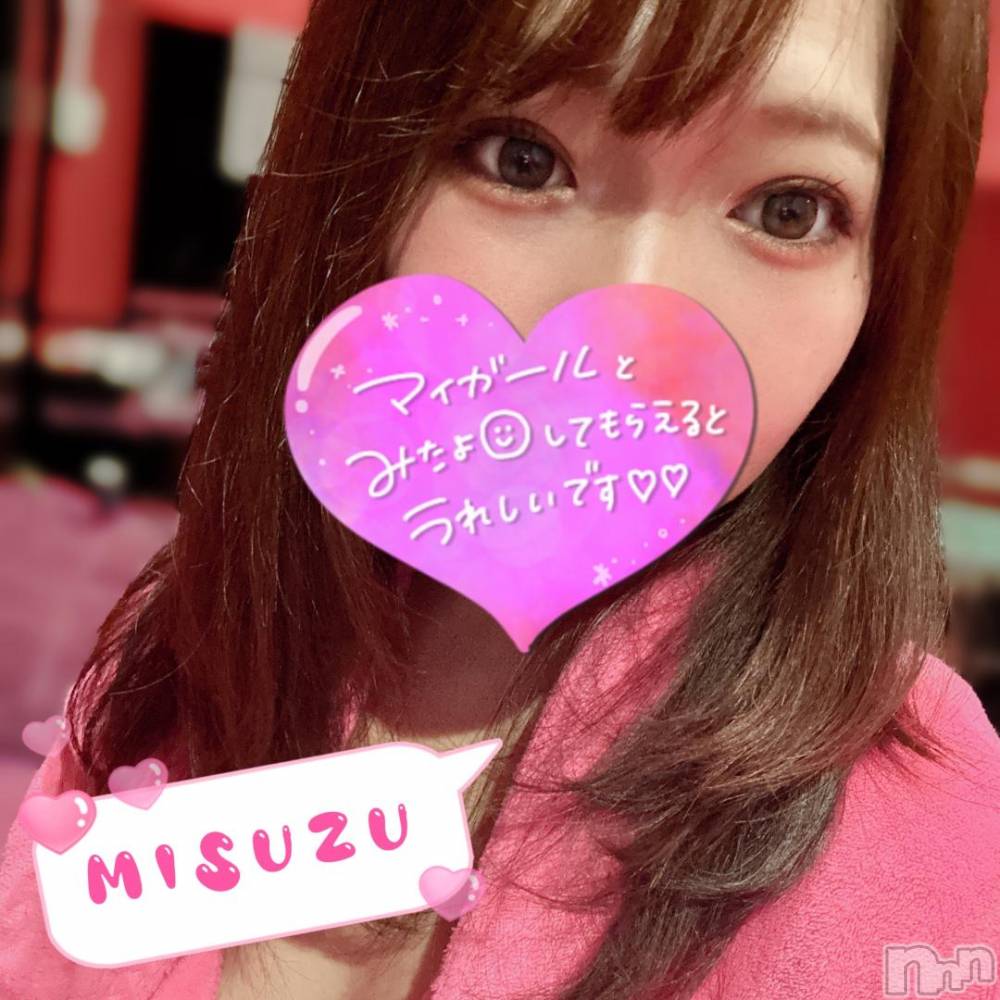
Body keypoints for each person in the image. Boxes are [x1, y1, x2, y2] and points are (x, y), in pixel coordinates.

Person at [3, 0, 999, 997]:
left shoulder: (921, 807)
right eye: (522, 160)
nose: (625, 337)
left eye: (788, 208)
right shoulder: (189, 643)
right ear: (361, 175)